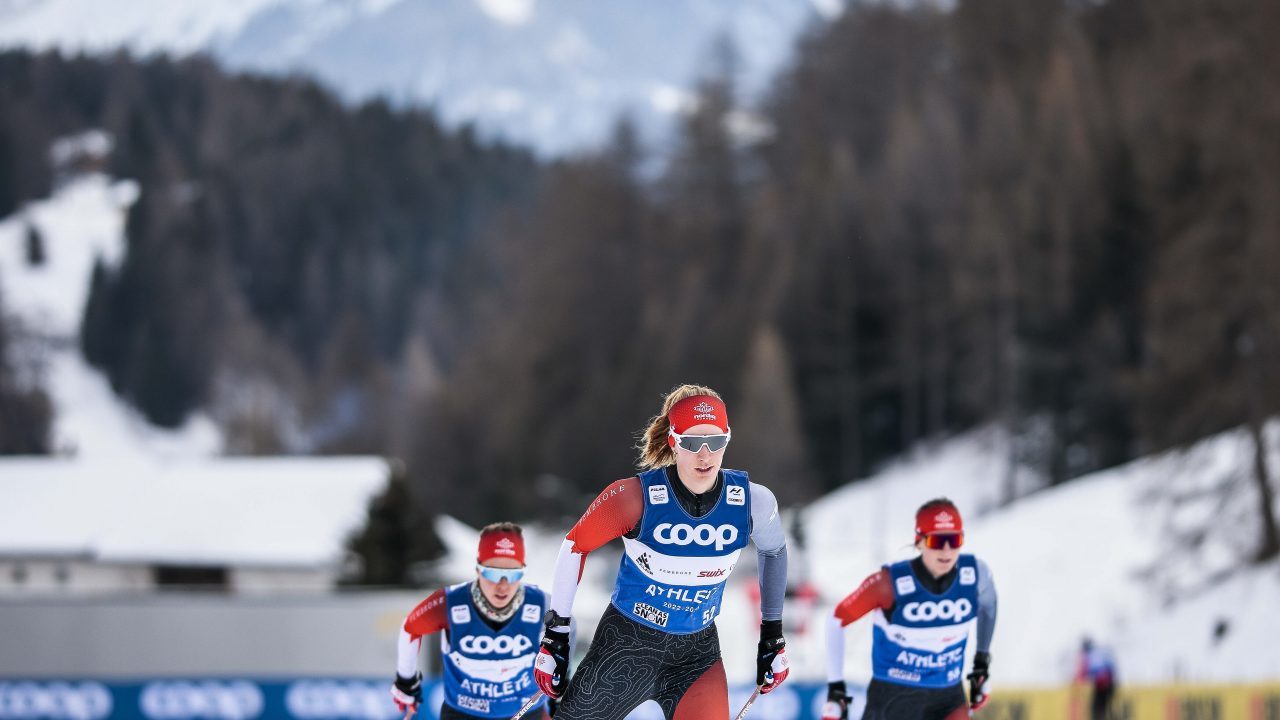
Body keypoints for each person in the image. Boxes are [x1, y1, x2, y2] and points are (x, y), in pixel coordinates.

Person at [533, 384, 790, 720]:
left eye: (715, 442)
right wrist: (556, 636)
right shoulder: (633, 498)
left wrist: (772, 636)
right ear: (673, 441)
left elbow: (774, 552)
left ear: (727, 439)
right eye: (691, 442)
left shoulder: (752, 502)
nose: (704, 455)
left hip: (696, 656)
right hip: (626, 647)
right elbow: (574, 546)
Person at [822, 499, 998, 720]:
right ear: (919, 542)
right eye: (937, 541)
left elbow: (989, 607)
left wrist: (981, 663)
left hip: (948, 697)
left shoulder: (976, 575)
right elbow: (836, 619)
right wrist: (835, 686)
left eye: (955, 540)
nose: (946, 550)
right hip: (894, 698)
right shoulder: (888, 583)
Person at [390, 522, 552, 720]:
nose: (503, 585)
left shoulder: (541, 602)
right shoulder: (449, 603)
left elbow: (568, 631)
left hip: (526, 712)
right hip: (465, 713)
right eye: (492, 572)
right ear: (478, 569)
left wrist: (560, 683)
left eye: (513, 574)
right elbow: (411, 627)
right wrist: (406, 681)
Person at [1075, 637, 1118, 720]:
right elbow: (1111, 668)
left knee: (1096, 709)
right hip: (1109, 684)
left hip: (1101, 686)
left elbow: (1085, 673)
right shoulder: (1101, 653)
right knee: (1106, 707)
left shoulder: (1090, 656)